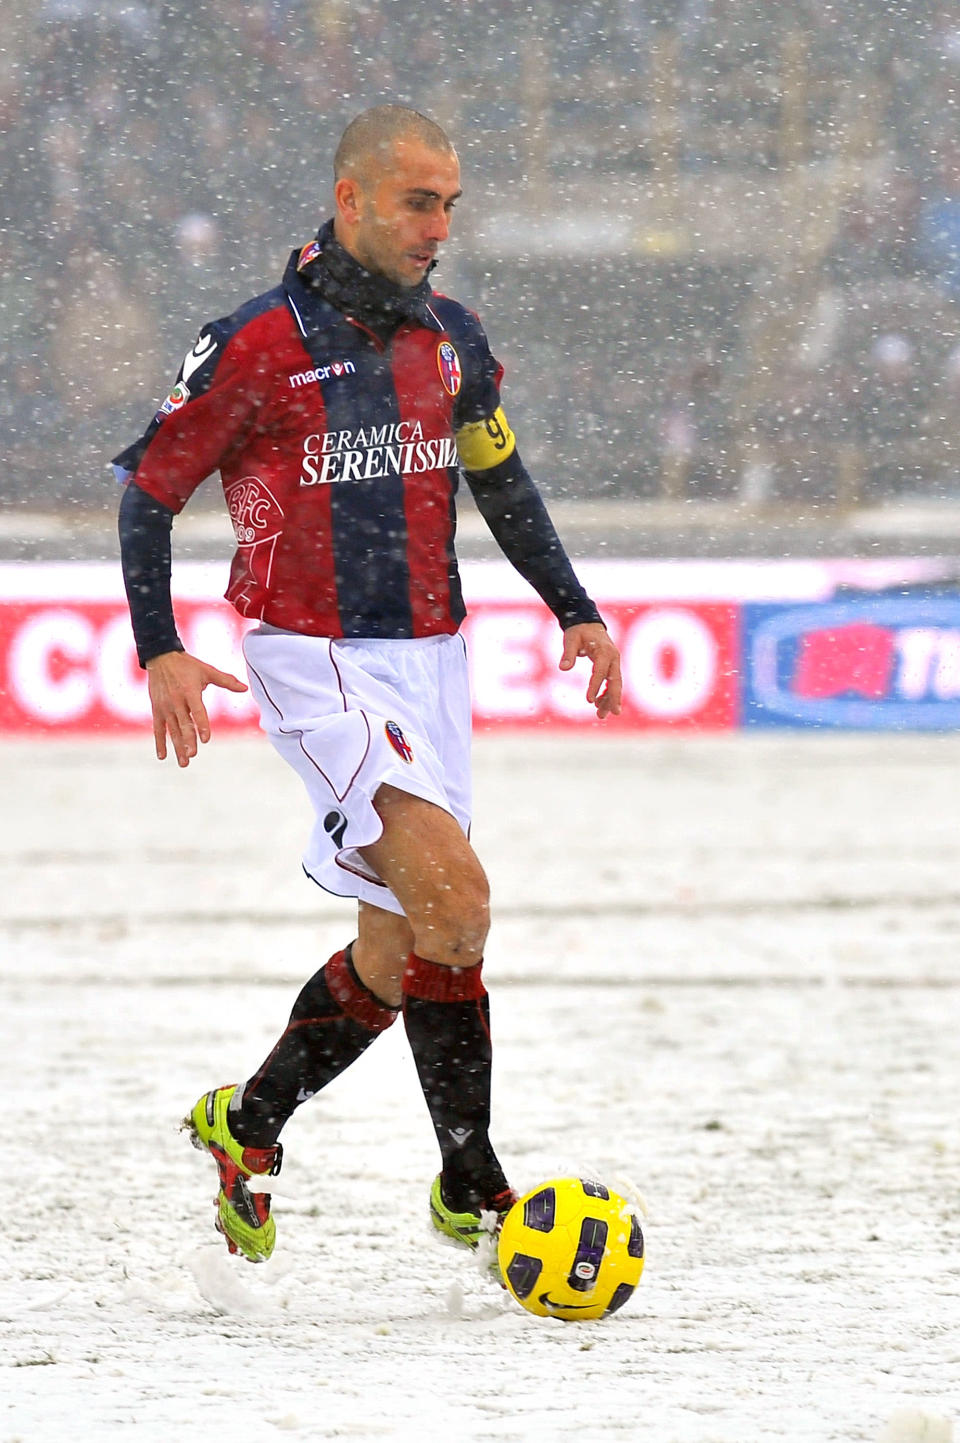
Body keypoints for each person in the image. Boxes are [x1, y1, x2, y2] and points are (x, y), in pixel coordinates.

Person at [115, 105, 622, 1270]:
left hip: (433, 658)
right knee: (459, 903)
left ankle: (246, 1125)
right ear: (351, 199)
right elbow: (151, 491)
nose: (439, 227)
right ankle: (473, 1184)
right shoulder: (256, 343)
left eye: (450, 204)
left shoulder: (450, 338)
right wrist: (160, 645)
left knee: (402, 950)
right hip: (313, 655)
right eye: (417, 202)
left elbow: (501, 478)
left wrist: (576, 609)